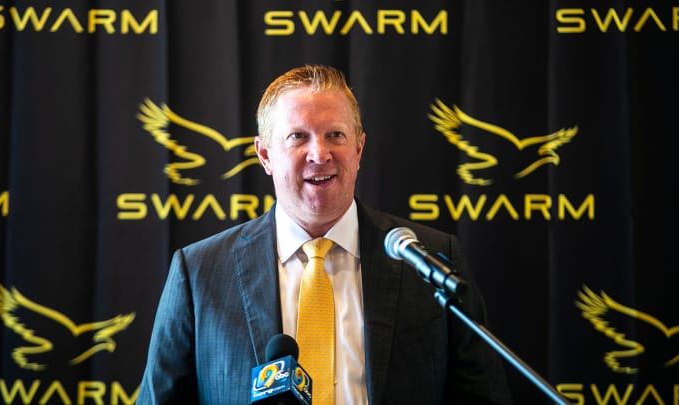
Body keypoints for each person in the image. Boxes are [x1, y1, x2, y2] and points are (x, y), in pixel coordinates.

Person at [137, 65, 513, 404]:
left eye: (335, 134)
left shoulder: (429, 258)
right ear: (265, 155)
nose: (320, 153)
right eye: (298, 137)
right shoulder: (200, 272)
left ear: (359, 147)